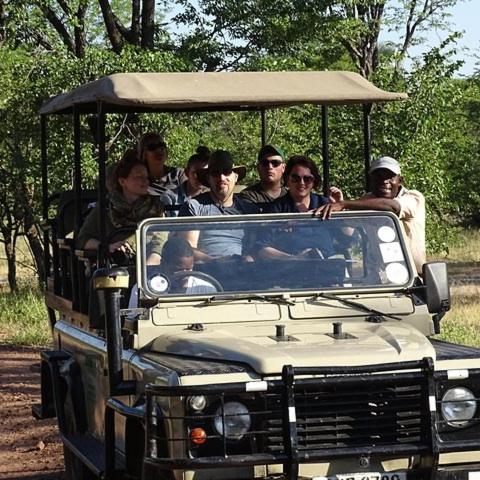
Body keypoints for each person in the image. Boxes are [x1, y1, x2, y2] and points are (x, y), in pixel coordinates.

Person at [316, 155, 426, 274]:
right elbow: (348, 227)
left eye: (390, 177)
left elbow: (393, 207)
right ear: (371, 180)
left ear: (400, 180)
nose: (384, 181)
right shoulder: (367, 200)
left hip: (411, 276)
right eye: (378, 177)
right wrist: (339, 208)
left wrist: (344, 204)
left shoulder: (413, 197)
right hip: (378, 275)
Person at [77, 149, 165, 263]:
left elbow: (160, 240)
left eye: (146, 177)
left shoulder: (156, 207)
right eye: (139, 177)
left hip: (151, 266)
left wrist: (151, 261)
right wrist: (108, 247)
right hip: (113, 266)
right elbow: (83, 239)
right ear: (122, 181)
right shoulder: (105, 208)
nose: (145, 181)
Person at [178, 149, 259, 261]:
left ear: (235, 177)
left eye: (226, 172)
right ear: (208, 178)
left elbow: (256, 248)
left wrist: (249, 259)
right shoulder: (193, 207)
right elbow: (187, 249)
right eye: (215, 173)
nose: (221, 178)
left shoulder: (250, 210)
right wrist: (215, 262)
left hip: (243, 268)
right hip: (205, 269)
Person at [161, 146, 210, 216]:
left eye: (204, 173)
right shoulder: (170, 198)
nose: (200, 177)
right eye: (196, 173)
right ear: (187, 173)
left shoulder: (211, 197)